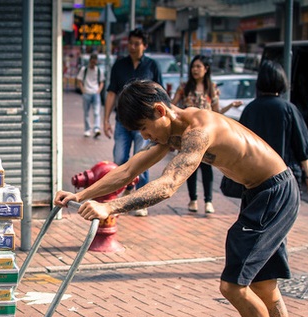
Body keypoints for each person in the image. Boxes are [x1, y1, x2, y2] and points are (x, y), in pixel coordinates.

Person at [55, 79, 305, 317]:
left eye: (146, 130)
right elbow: (128, 169)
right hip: (261, 194)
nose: (146, 137)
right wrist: (79, 196)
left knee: (232, 286)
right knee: (264, 287)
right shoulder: (172, 130)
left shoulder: (199, 129)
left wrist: (112, 207)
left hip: (274, 192)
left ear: (161, 110)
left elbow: (169, 184)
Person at [171, 55, 242, 214]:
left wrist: (230, 106)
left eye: (198, 66)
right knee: (190, 168)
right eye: (193, 66)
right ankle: (193, 199)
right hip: (188, 134)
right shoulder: (184, 87)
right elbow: (173, 106)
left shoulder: (212, 87)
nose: (195, 70)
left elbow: (216, 113)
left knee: (207, 167)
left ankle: (208, 201)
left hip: (207, 136)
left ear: (206, 69)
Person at [104, 28, 162, 217]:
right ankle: (124, 191)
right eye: (130, 43)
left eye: (137, 44)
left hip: (145, 124)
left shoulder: (152, 66)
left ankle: (141, 200)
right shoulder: (119, 65)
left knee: (142, 161)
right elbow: (112, 92)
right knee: (120, 159)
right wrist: (105, 119)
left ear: (144, 45)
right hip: (122, 122)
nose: (132, 47)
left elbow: (160, 94)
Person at [239, 60, 308, 195]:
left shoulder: (250, 109)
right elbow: (301, 145)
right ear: (282, 80)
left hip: (255, 176)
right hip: (284, 174)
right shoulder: (288, 109)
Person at [76, 53, 105, 138]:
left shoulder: (99, 70)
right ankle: (87, 129)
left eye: (94, 62)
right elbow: (79, 80)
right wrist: (83, 90)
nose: (93, 64)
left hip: (95, 93)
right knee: (86, 112)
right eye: (92, 62)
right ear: (90, 61)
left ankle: (96, 129)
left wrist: (98, 90)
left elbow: (101, 82)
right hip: (87, 93)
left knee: (96, 112)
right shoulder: (84, 70)